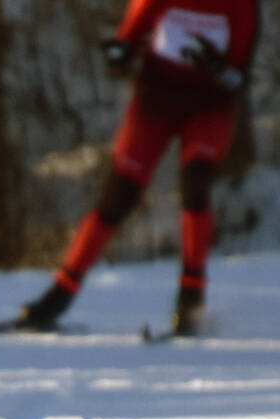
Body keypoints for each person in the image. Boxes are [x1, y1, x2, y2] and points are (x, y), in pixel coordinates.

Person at [17, 0, 260, 337]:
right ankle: (58, 295)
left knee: (196, 182)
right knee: (118, 196)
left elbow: (239, 74)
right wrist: (120, 55)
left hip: (208, 107)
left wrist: (218, 69)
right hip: (155, 100)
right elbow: (128, 39)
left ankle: (191, 297)